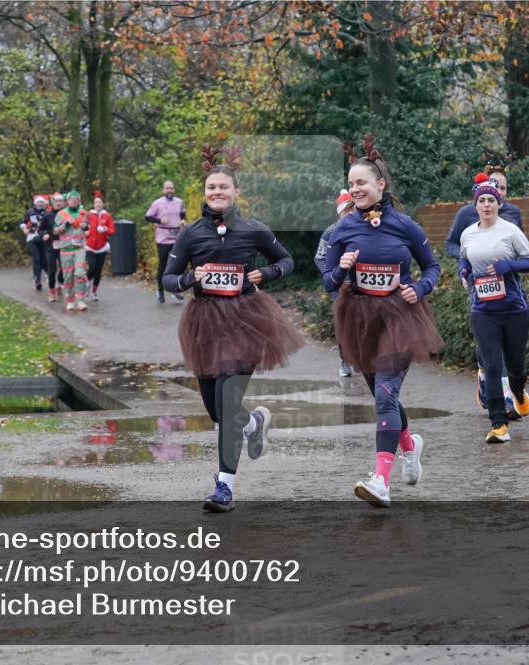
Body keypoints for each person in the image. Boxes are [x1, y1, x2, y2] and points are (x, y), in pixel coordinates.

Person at [163, 145, 305, 512]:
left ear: (236, 192)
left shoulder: (254, 230)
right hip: (205, 323)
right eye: (211, 188)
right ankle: (253, 421)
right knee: (215, 409)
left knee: (227, 403)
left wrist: (268, 273)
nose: (217, 193)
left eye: (224, 187)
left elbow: (287, 260)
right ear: (204, 193)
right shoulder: (191, 234)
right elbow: (167, 278)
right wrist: (192, 276)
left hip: (247, 319)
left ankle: (224, 487)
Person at [323, 137, 443, 508]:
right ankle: (409, 444)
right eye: (351, 183)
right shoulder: (341, 230)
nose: (356, 188)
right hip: (360, 320)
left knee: (384, 395)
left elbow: (433, 267)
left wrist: (419, 288)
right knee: (382, 393)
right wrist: (341, 270)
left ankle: (380, 481)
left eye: (362, 182)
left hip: (400, 318)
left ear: (380, 185)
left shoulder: (404, 226)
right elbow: (327, 280)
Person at [458, 176, 529, 443]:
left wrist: (508, 267)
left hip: (514, 308)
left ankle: (518, 390)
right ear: (476, 205)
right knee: (492, 365)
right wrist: (464, 270)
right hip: (483, 310)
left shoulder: (510, 230)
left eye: (491, 200)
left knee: (516, 366)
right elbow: (464, 256)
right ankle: (498, 424)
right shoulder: (468, 233)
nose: (486, 204)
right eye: (481, 200)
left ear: (499, 203)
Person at [446, 163, 524, 415]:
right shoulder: (466, 215)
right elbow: (451, 244)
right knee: (488, 338)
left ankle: (503, 392)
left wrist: (510, 265)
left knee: (505, 344)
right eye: (494, 186)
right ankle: (493, 383)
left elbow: (520, 251)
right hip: (478, 284)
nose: (497, 193)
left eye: (503, 188)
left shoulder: (513, 215)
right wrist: (466, 261)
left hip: (508, 285)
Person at [314, 189, 356, 378]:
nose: (350, 214)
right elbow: (320, 257)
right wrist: (332, 276)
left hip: (362, 285)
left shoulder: (365, 228)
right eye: (346, 211)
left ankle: (364, 357)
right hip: (340, 286)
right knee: (344, 323)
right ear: (340, 212)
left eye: (353, 210)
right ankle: (345, 362)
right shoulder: (331, 231)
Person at [145, 180, 186, 303]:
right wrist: (159, 220)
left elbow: (183, 213)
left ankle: (175, 290)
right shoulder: (158, 203)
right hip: (163, 238)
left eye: (171, 188)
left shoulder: (179, 202)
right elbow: (147, 217)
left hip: (176, 237)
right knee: (163, 265)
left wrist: (183, 221)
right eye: (167, 188)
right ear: (163, 190)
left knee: (177, 265)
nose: (170, 190)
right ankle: (160, 291)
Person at [53, 191, 91, 311]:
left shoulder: (84, 213)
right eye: (72, 199)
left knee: (80, 273)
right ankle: (70, 300)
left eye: (76, 199)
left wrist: (86, 228)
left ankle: (80, 299)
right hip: (65, 249)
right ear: (67, 201)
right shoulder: (61, 214)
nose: (74, 200)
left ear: (79, 200)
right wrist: (65, 225)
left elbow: (88, 229)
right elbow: (55, 231)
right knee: (68, 276)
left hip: (79, 249)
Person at [85, 191, 116, 301]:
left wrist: (105, 230)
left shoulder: (107, 216)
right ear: (93, 204)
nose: (98, 204)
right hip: (89, 246)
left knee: (98, 271)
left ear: (103, 204)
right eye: (96, 202)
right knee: (92, 266)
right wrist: (85, 232)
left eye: (100, 202)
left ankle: (94, 291)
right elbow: (82, 227)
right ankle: (87, 281)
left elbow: (112, 230)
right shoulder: (88, 215)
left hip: (102, 247)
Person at [40, 192, 66, 302]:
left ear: (63, 203)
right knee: (52, 270)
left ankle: (60, 283)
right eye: (56, 201)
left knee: (64, 269)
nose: (58, 203)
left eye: (60, 201)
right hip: (51, 246)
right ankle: (51, 291)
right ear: (53, 202)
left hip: (64, 245)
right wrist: (44, 235)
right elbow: (40, 229)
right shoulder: (47, 215)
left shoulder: (66, 214)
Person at [21, 195, 48, 290]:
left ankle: (49, 276)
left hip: (43, 238)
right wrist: (24, 229)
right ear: (35, 203)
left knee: (44, 260)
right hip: (32, 237)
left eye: (42, 202)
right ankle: (37, 280)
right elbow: (23, 222)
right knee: (36, 259)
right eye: (38, 202)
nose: (40, 204)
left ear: (44, 203)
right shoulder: (30, 212)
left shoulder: (47, 213)